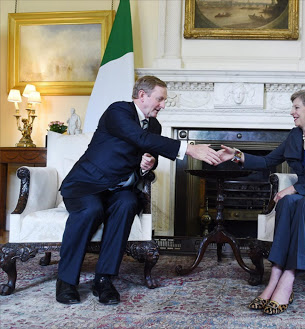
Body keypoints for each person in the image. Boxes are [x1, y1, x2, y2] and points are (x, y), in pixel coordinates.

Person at [56, 76, 221, 305]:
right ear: (142, 95)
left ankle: (104, 279)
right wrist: (189, 149)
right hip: (87, 185)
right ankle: (66, 281)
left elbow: (148, 155)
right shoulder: (118, 111)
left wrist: (147, 164)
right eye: (160, 99)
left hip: (118, 189)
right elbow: (138, 137)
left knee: (127, 203)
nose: (163, 105)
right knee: (91, 210)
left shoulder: (154, 125)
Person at [216, 90, 305, 315]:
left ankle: (289, 278)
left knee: (303, 203)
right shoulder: (294, 137)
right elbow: (267, 161)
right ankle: (274, 277)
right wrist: (237, 155)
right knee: (286, 203)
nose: (292, 112)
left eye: (296, 108)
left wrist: (294, 188)